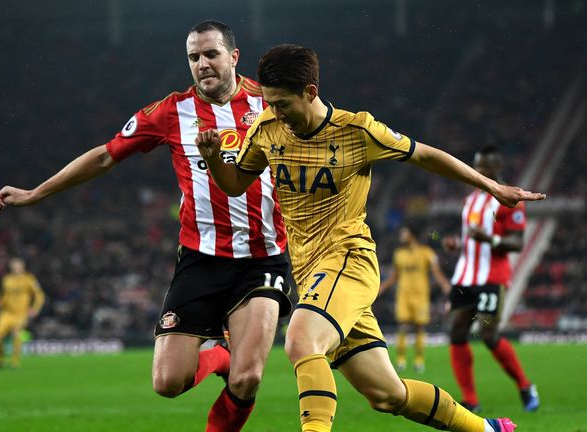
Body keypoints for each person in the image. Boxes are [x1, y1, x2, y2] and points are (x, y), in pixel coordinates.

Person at [196, 43, 546, 432]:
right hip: (312, 275)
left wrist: (490, 185)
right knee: (387, 395)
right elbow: (235, 184)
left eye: (283, 104)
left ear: (309, 92)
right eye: (270, 102)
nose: (275, 112)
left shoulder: (356, 130)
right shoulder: (266, 129)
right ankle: (488, 429)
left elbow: (425, 155)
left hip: (350, 260)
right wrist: (213, 158)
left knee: (300, 340)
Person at [0, 20, 291, 431]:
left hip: (262, 259)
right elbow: (104, 156)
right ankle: (219, 353)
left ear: (234, 57)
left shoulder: (271, 102)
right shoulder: (171, 111)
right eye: (193, 57)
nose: (202, 64)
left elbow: (318, 134)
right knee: (168, 383)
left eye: (211, 54)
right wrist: (35, 193)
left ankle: (230, 368)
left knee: (248, 376)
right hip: (200, 259)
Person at [441, 145, 540, 413]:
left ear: (497, 167)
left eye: (484, 167)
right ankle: (471, 401)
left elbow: (517, 243)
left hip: (491, 277)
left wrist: (491, 239)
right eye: (476, 165)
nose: (479, 171)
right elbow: (472, 239)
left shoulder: (511, 199)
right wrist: (457, 243)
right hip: (464, 276)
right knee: (456, 331)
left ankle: (524, 385)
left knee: (487, 333)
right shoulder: (471, 199)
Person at [379, 225, 451, 373]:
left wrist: (445, 285)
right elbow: (395, 276)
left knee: (420, 327)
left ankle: (419, 361)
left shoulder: (427, 253)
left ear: (412, 235)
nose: (401, 235)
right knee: (403, 327)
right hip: (404, 295)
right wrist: (382, 287)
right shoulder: (399, 254)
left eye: (404, 232)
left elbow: (436, 272)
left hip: (421, 296)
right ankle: (401, 360)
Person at [0, 257, 45, 369]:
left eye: (18, 267)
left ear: (23, 267)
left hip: (21, 313)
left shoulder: (29, 279)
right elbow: (4, 295)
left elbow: (39, 295)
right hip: (6, 313)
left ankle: (15, 363)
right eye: (14, 267)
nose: (16, 269)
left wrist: (35, 308)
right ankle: (0, 360)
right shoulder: (6, 279)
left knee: (16, 334)